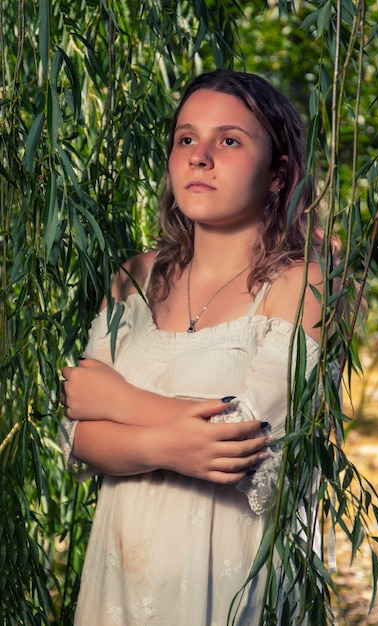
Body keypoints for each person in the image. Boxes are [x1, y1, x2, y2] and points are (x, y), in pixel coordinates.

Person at [59, 69, 329, 625]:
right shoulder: (133, 278)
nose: (199, 157)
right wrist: (175, 442)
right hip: (121, 576)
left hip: (229, 581)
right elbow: (77, 434)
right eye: (187, 138)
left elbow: (248, 448)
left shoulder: (300, 286)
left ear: (278, 173)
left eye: (228, 140)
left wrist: (122, 404)